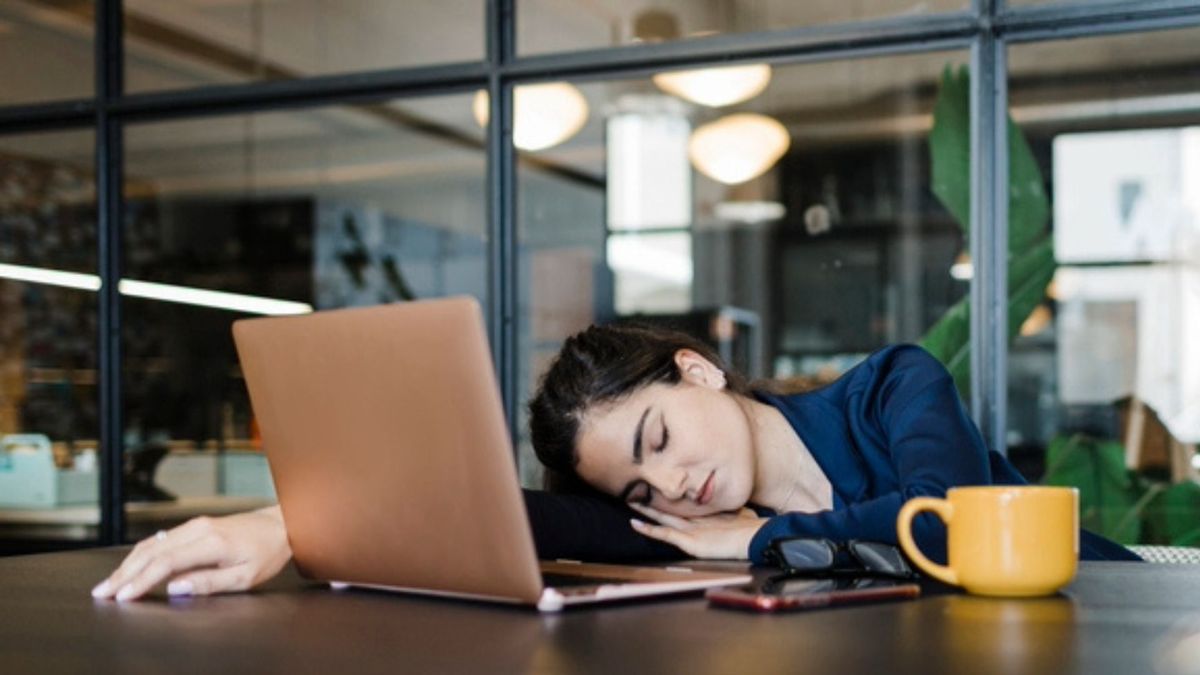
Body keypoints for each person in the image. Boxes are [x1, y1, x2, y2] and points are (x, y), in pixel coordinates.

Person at [92, 323, 1139, 602]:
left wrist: (765, 541)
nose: (669, 487)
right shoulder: (683, 529)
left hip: (1104, 618)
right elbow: (514, 520)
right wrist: (282, 526)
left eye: (658, 440)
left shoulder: (893, 386)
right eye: (639, 488)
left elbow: (940, 523)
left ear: (698, 372)